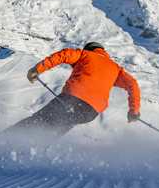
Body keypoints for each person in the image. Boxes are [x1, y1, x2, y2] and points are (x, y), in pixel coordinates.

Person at [11, 42, 141, 136]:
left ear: (90, 49)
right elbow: (133, 85)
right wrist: (133, 111)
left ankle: (6, 140)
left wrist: (37, 69)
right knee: (59, 127)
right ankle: (33, 153)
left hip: (72, 99)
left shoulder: (85, 54)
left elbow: (64, 55)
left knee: (39, 120)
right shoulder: (115, 69)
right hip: (91, 112)